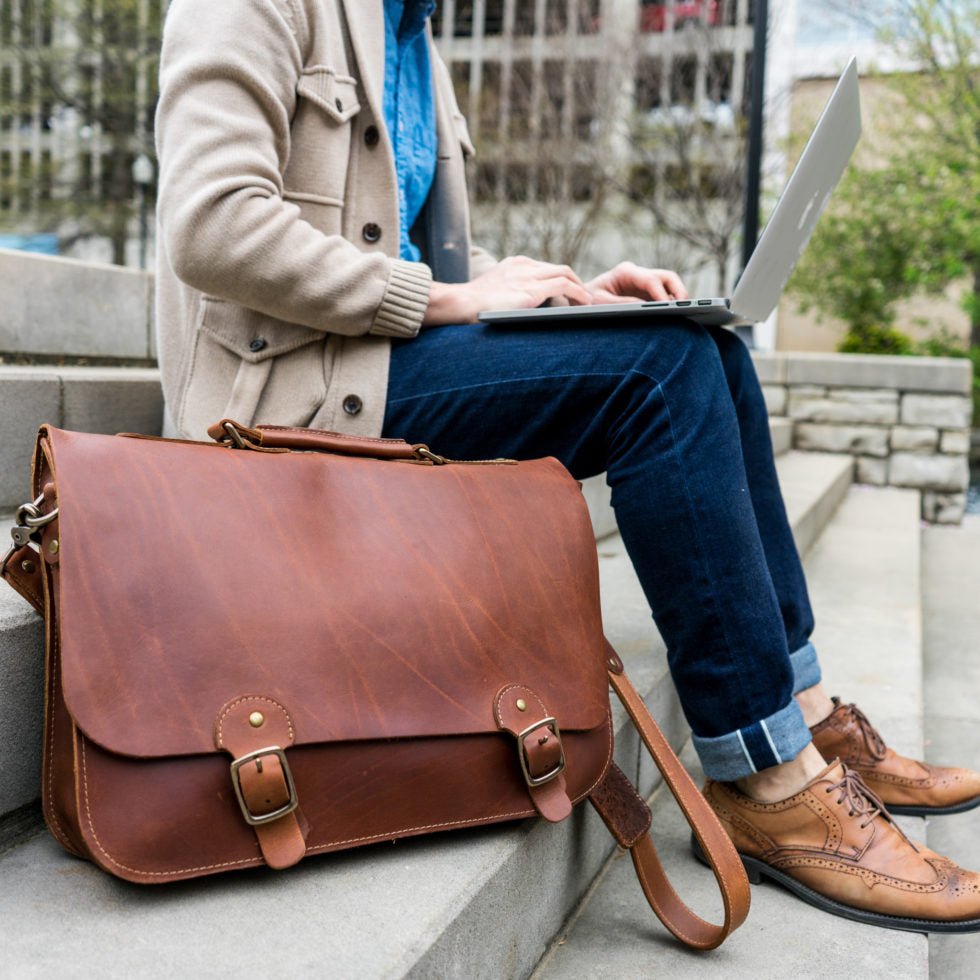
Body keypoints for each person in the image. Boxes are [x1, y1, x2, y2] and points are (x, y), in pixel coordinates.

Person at [155, 0, 980, 932]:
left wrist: (570, 297)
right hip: (286, 402)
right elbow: (213, 224)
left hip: (377, 366)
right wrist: (457, 298)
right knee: (661, 373)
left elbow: (415, 258)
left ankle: (803, 709)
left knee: (705, 346)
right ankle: (770, 780)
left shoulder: (411, 37)